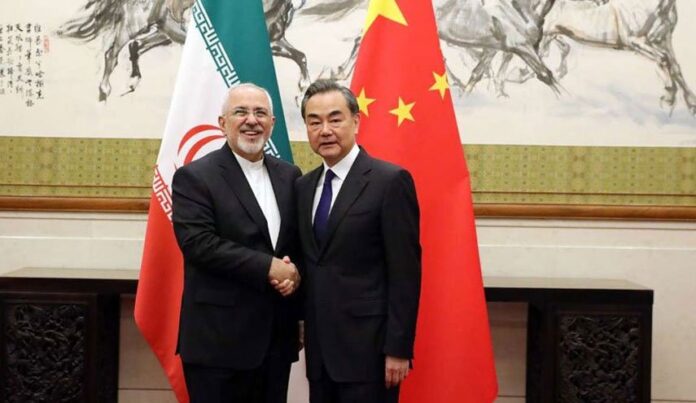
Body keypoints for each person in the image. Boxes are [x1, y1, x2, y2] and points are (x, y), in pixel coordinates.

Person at [171, 83, 302, 403]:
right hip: (218, 344)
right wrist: (268, 267)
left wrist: (295, 276)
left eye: (260, 113)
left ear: (272, 123)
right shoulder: (195, 177)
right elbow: (199, 244)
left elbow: (296, 245)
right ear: (222, 122)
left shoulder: (291, 175)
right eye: (240, 112)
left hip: (275, 341)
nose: (251, 120)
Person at [296, 79, 421, 403]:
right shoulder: (303, 187)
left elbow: (405, 273)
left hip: (370, 352)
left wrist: (398, 348)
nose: (325, 130)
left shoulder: (389, 182)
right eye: (314, 122)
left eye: (335, 119)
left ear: (356, 121)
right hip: (320, 354)